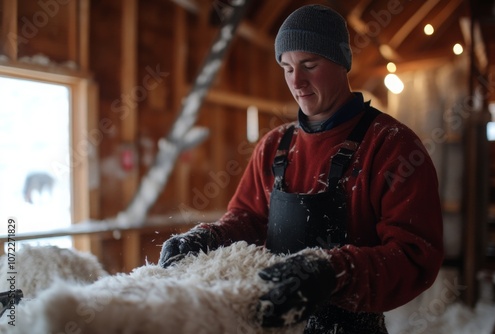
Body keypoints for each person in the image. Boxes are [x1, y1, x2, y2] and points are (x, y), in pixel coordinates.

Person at [159, 4, 443, 333]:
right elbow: (249, 219)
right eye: (287, 67)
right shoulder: (274, 146)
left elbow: (414, 257)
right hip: (273, 324)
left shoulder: (391, 146)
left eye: (310, 64)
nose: (298, 81)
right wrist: (210, 237)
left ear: (342, 63)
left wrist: (333, 272)